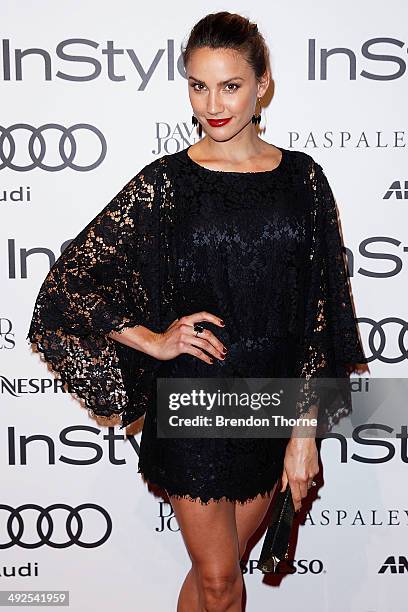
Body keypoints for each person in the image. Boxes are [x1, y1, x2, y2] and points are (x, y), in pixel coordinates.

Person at [27, 11, 369, 612]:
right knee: (218, 579)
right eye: (198, 84)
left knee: (226, 571)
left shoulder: (304, 182)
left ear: (263, 85)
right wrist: (155, 341)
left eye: (230, 85)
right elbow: (67, 286)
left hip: (269, 401)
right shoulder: (165, 184)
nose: (213, 103)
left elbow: (321, 313)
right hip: (194, 398)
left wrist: (304, 432)